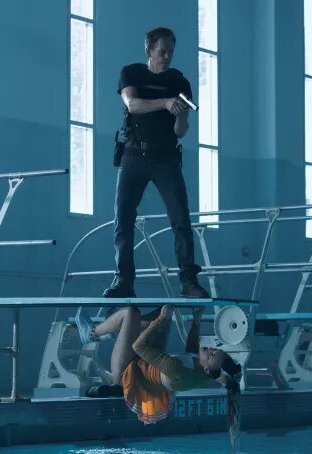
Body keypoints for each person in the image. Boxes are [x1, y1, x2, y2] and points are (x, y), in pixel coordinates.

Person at [104, 26, 209, 299]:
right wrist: (165, 102)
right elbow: (132, 104)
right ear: (149, 50)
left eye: (170, 52)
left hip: (166, 157)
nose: (167, 57)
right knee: (123, 218)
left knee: (180, 219)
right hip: (133, 154)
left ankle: (189, 281)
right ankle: (123, 279)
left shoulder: (179, 81)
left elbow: (180, 132)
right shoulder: (131, 73)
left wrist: (181, 114)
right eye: (162, 51)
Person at [76, 304, 241, 448]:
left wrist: (161, 319)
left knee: (131, 313)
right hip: (147, 365)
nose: (211, 350)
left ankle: (92, 333)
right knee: (164, 309)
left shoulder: (176, 369)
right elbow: (192, 353)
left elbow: (138, 347)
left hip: (127, 370)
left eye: (211, 356)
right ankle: (116, 328)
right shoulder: (207, 373)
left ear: (206, 369)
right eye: (216, 350)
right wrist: (196, 321)